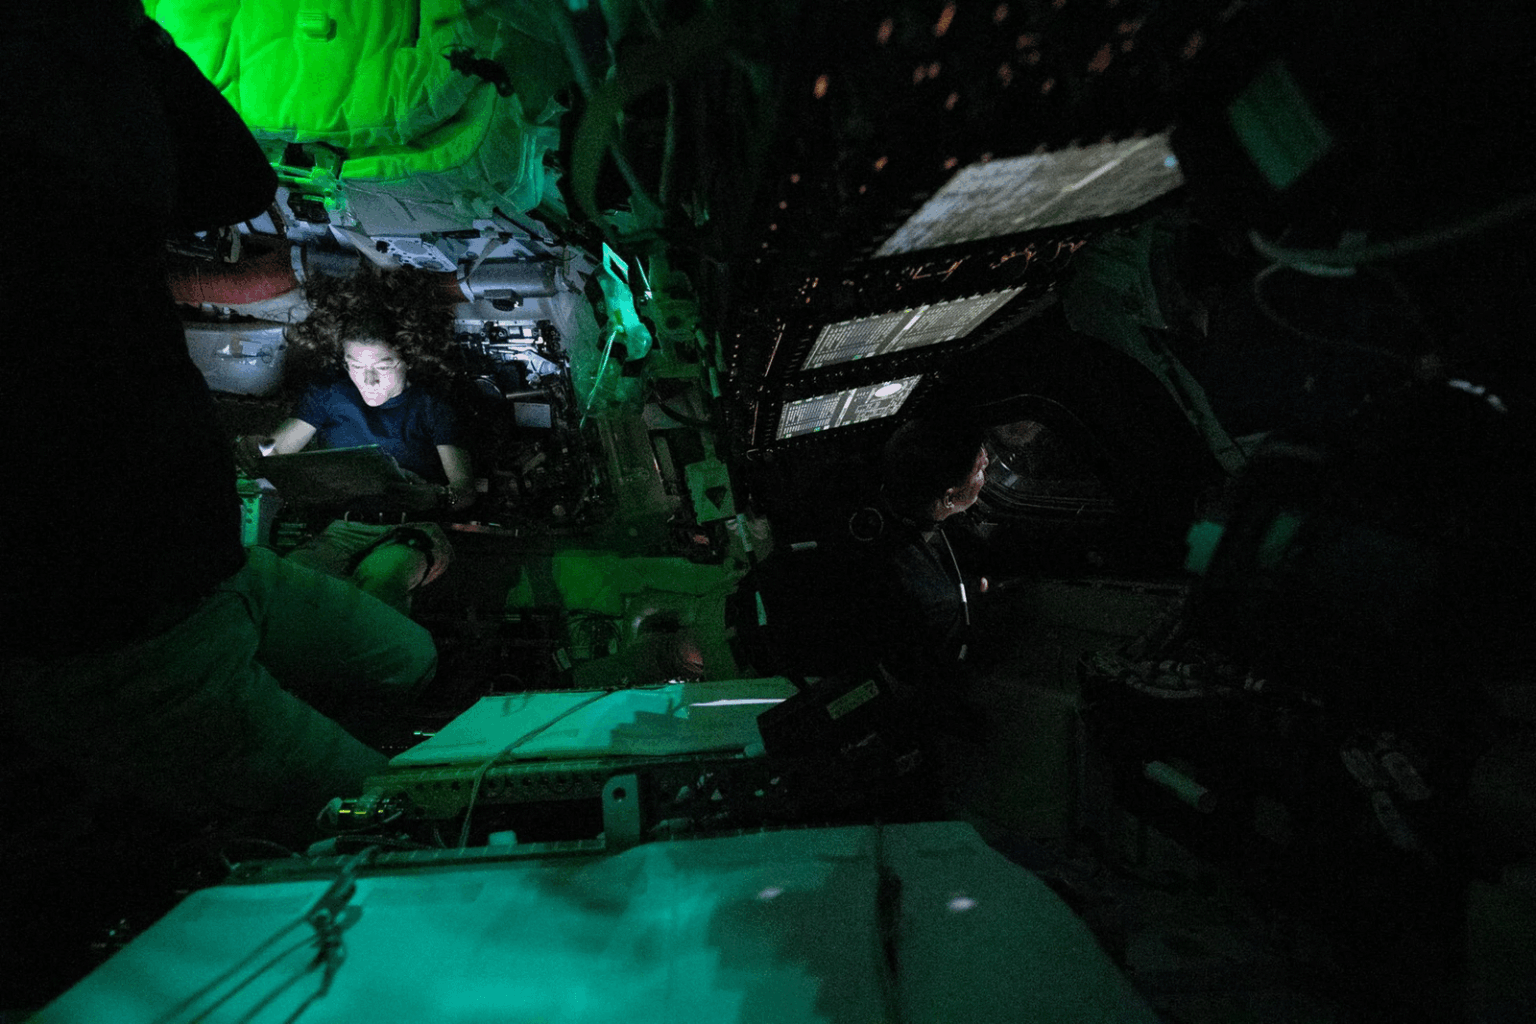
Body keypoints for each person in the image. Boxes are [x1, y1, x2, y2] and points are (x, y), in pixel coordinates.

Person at [0, 4, 437, 841]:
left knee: (405, 661)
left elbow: (234, 182)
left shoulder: (87, 201)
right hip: (120, 649)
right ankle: (243, 797)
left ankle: (264, 752)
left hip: (219, 575)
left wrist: (127, 33)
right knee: (389, 825)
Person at [254, 267, 476, 612]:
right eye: (355, 366)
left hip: (410, 531)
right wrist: (254, 450)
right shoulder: (329, 394)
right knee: (289, 581)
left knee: (380, 580)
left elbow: (464, 488)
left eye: (383, 367)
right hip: (340, 531)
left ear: (407, 360)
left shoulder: (431, 406)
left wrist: (432, 496)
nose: (368, 379)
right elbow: (275, 452)